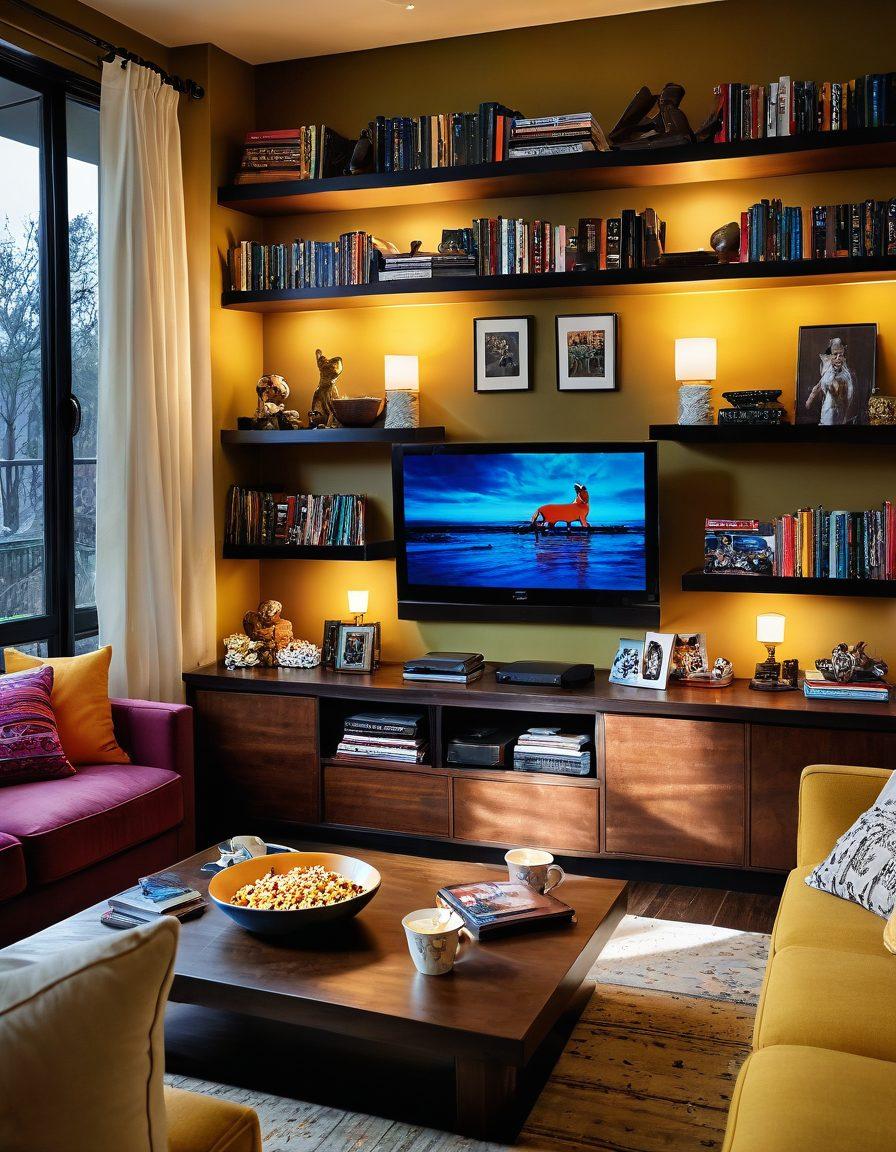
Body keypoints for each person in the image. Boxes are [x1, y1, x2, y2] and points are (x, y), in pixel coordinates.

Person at [805, 337, 856, 425]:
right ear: (829, 356)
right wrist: (809, 401)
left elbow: (849, 397)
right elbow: (818, 387)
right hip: (828, 413)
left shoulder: (847, 375)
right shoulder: (827, 373)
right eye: (835, 354)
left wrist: (846, 416)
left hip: (840, 413)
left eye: (841, 355)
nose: (838, 358)